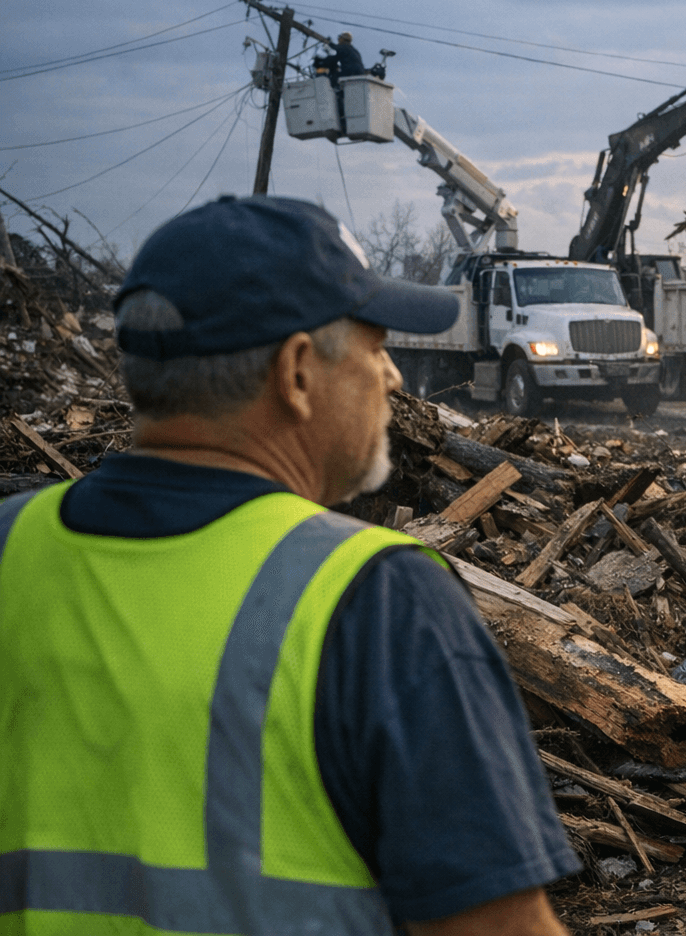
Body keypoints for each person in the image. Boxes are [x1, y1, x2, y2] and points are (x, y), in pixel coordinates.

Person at [0, 196, 580, 934]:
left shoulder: (12, 549)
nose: (394, 379)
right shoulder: (374, 597)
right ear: (297, 371)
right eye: (376, 349)